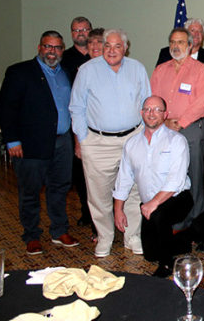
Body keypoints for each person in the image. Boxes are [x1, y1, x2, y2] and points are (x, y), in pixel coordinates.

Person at [70, 28, 151, 258]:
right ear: (101, 47)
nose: (112, 50)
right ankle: (105, 237)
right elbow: (76, 107)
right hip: (98, 142)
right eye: (107, 46)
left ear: (125, 48)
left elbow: (146, 103)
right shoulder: (87, 70)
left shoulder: (137, 68)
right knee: (99, 193)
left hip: (132, 138)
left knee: (135, 190)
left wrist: (144, 137)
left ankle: (132, 236)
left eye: (117, 46)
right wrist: (83, 139)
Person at [0, 30, 79, 255]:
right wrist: (12, 140)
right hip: (31, 143)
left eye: (57, 48)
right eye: (48, 47)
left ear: (63, 50)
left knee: (60, 187)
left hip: (63, 141)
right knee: (30, 190)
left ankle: (59, 231)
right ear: (39, 48)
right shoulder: (20, 72)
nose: (52, 52)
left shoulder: (67, 73)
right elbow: (7, 108)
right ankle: (32, 235)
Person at [113, 96, 193, 278]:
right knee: (150, 254)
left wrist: (153, 204)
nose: (152, 113)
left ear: (165, 114)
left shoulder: (176, 141)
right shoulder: (131, 144)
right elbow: (123, 178)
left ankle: (166, 264)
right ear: (142, 113)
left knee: (158, 215)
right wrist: (118, 209)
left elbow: (176, 180)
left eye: (157, 110)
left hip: (178, 198)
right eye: (148, 109)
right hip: (149, 202)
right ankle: (182, 242)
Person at [150, 28, 204, 229]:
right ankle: (173, 218)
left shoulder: (201, 70)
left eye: (181, 42)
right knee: (168, 174)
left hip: (191, 129)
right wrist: (164, 122)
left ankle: (196, 222)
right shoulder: (161, 70)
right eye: (173, 42)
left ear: (190, 45)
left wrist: (180, 123)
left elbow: (202, 102)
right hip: (164, 129)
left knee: (193, 175)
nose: (176, 46)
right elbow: (154, 98)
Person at [60, 16, 94, 229]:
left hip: (99, 124)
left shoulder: (101, 57)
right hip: (75, 123)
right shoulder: (64, 59)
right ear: (71, 34)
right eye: (76, 30)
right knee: (80, 174)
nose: (80, 33)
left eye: (84, 29)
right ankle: (86, 212)